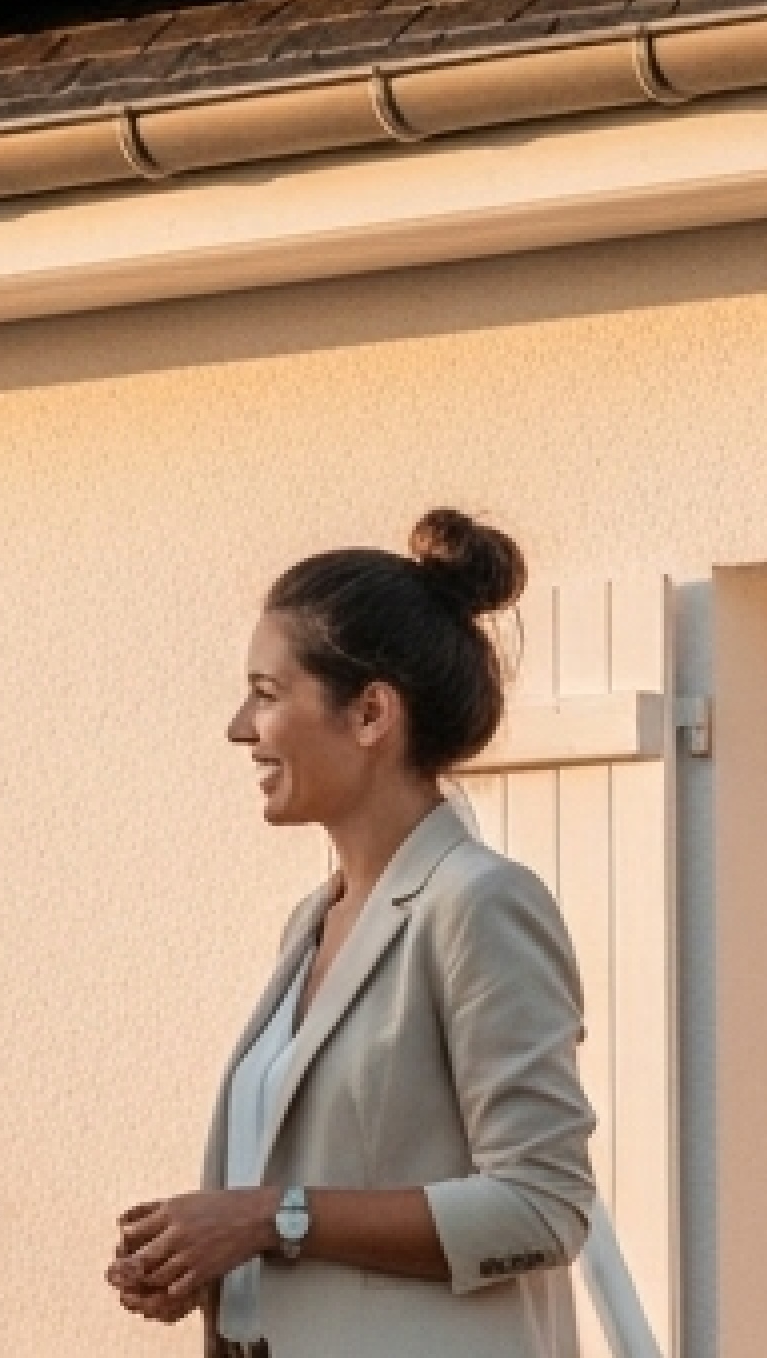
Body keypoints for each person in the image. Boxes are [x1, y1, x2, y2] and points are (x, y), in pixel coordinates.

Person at [110, 511, 601, 1355]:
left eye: (266, 694)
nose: (238, 727)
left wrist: (270, 1218)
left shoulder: (479, 904)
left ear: (371, 713)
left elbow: (543, 1206)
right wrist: (207, 1262)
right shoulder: (311, 924)